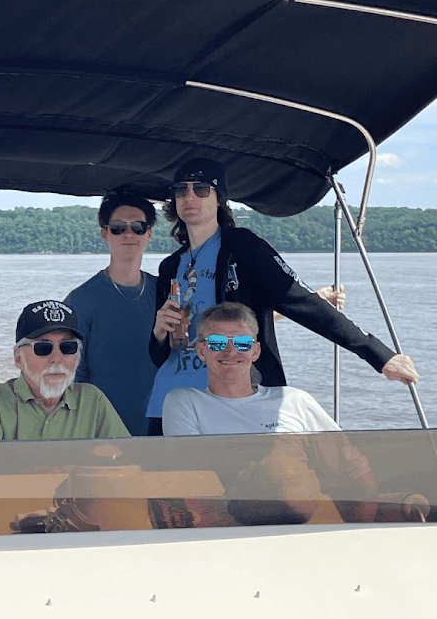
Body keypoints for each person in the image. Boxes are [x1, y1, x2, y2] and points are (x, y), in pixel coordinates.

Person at [146, 157, 418, 434]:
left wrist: (379, 355)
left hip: (233, 402)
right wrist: (158, 332)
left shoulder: (246, 250)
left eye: (201, 189)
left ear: (219, 199)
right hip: (168, 402)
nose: (189, 197)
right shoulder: (169, 267)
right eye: (181, 190)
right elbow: (159, 356)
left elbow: (305, 304)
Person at [163, 303, 378, 523]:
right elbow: (190, 478)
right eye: (217, 343)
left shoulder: (293, 400)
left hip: (305, 530)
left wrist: (358, 535)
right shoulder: (184, 403)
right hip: (231, 528)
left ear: (255, 351)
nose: (230, 351)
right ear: (201, 350)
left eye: (242, 343)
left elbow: (354, 472)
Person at [0, 300, 129, 440]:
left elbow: (125, 457)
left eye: (68, 347)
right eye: (43, 348)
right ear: (18, 358)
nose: (57, 358)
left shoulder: (92, 400)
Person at [64, 191, 158, 435]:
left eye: (138, 227)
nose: (128, 234)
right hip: (102, 428)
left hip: (160, 426)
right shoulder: (81, 300)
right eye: (118, 227)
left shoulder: (164, 292)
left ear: (149, 234)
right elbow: (72, 375)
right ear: (104, 234)